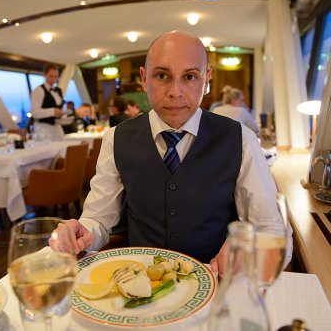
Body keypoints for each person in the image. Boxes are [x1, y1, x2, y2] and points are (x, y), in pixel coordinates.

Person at [50, 31, 291, 277]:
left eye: (190, 76)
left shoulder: (241, 139)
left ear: (206, 80)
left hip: (214, 282)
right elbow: (98, 219)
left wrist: (249, 250)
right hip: (140, 285)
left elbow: (270, 226)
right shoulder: (115, 139)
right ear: (144, 79)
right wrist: (84, 233)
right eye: (162, 75)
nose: (175, 91)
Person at [30, 63, 65, 141]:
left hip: (57, 127)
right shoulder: (38, 90)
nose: (53, 79)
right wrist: (53, 111)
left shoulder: (59, 91)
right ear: (45, 75)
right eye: (51, 76)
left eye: (56, 76)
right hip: (43, 129)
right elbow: (35, 112)